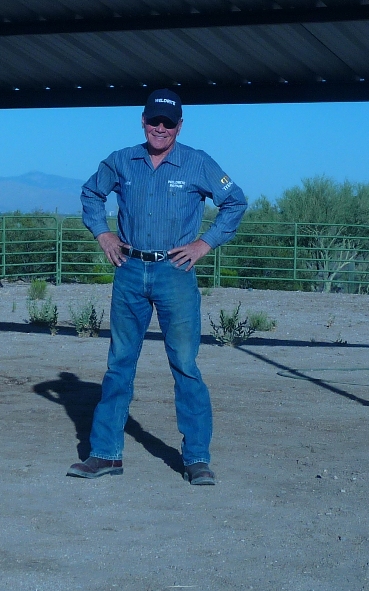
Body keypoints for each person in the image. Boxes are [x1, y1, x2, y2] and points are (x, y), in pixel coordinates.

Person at [70, 89, 247, 485]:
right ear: (143, 121)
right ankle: (105, 454)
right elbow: (90, 193)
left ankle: (197, 458)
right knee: (119, 364)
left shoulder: (198, 163)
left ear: (180, 126)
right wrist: (103, 234)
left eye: (169, 123)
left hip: (175, 274)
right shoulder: (121, 161)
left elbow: (234, 201)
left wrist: (205, 244)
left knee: (185, 365)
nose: (160, 129)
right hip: (130, 270)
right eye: (154, 121)